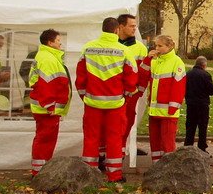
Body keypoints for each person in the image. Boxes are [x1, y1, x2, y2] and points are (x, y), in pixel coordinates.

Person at [75, 17, 138, 183]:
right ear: (117, 30)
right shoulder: (124, 51)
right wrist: (125, 96)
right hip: (115, 104)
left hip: (92, 103)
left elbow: (80, 78)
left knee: (91, 138)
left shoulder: (88, 48)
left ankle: (88, 173)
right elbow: (131, 80)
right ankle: (114, 175)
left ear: (102, 29)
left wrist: (85, 96)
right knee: (115, 139)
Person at [27, 29, 71, 176]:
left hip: (45, 108)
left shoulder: (47, 56)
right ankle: (39, 172)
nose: (60, 43)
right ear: (50, 42)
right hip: (46, 109)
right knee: (45, 139)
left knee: (45, 139)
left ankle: (41, 169)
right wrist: (50, 106)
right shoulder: (48, 59)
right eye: (58, 40)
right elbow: (47, 85)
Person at [138, 35, 186, 162]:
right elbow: (142, 75)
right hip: (154, 110)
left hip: (168, 113)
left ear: (169, 46)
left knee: (168, 143)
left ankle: (169, 169)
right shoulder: (154, 60)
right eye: (156, 45)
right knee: (155, 142)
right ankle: (156, 166)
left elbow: (179, 86)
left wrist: (173, 108)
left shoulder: (177, 62)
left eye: (160, 46)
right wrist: (147, 59)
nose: (157, 48)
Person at [117, 13, 149, 154]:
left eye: (135, 26)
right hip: (113, 92)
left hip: (131, 94)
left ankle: (121, 151)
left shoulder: (141, 48)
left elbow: (144, 73)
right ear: (121, 26)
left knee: (126, 123)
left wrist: (138, 92)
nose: (134, 29)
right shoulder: (112, 46)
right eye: (131, 26)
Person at [184, 56, 213, 152]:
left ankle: (188, 146)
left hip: (190, 104)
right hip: (202, 105)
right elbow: (212, 90)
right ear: (204, 65)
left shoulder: (188, 74)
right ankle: (202, 147)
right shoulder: (206, 75)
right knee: (202, 127)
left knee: (190, 126)